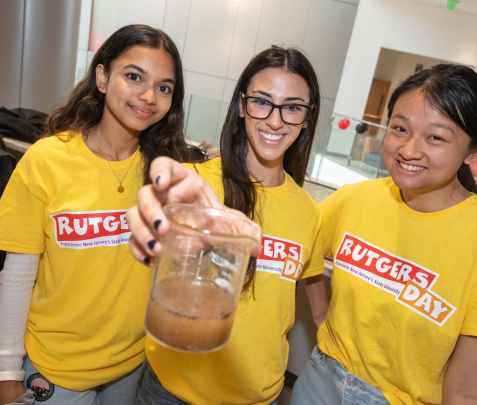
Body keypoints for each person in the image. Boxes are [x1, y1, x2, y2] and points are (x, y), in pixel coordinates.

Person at [290, 64, 477, 405]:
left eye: (436, 137)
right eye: (399, 128)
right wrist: (322, 317)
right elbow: (304, 248)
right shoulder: (355, 199)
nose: (409, 149)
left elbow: (467, 391)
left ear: (474, 150)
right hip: (320, 380)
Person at [0, 24, 189, 404]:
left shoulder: (167, 174)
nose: (148, 96)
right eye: (133, 76)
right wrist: (7, 371)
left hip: (130, 366)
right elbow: (18, 275)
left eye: (164, 87)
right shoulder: (48, 160)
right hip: (54, 369)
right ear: (103, 76)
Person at [127, 46, 329, 405]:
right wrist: (157, 214)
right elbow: (160, 218)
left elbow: (302, 301)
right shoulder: (194, 185)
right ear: (241, 105)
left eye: (293, 107)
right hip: (172, 392)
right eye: (262, 101)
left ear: (307, 118)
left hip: (258, 394)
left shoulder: (308, 211)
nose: (275, 120)